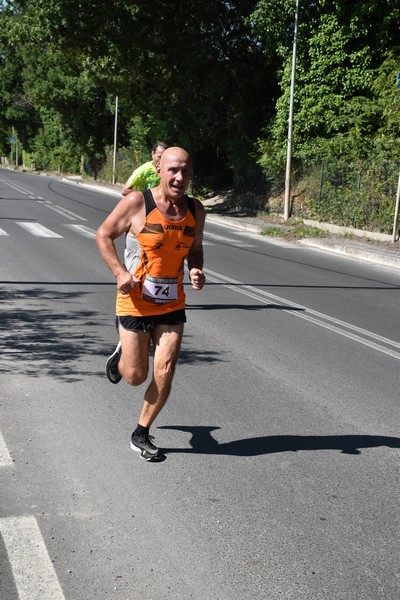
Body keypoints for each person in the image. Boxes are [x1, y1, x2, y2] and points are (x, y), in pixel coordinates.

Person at [96, 147, 206, 461]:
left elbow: (195, 249)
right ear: (158, 169)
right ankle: (121, 356)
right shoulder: (136, 203)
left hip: (172, 304)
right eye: (173, 170)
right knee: (135, 376)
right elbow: (103, 235)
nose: (180, 177)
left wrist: (196, 269)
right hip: (134, 303)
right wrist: (119, 273)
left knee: (166, 369)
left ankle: (141, 431)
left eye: (185, 171)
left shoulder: (196, 210)